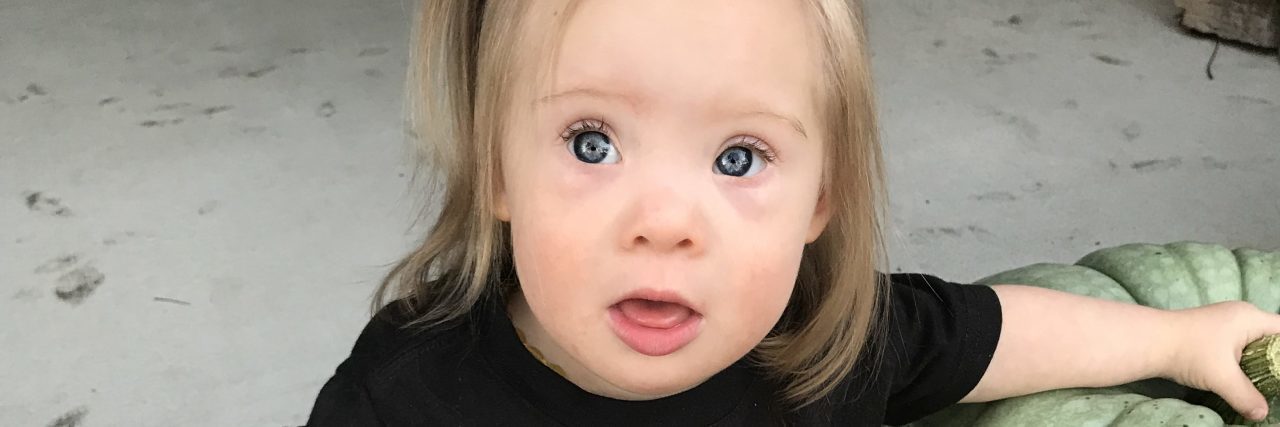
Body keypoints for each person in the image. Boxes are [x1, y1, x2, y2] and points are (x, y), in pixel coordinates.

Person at [306, 1, 1280, 425]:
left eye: (738, 157)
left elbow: (1004, 334)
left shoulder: (826, 348)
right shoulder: (406, 398)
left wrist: (1176, 336)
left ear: (821, 200)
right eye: (590, 142)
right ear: (496, 173)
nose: (664, 221)